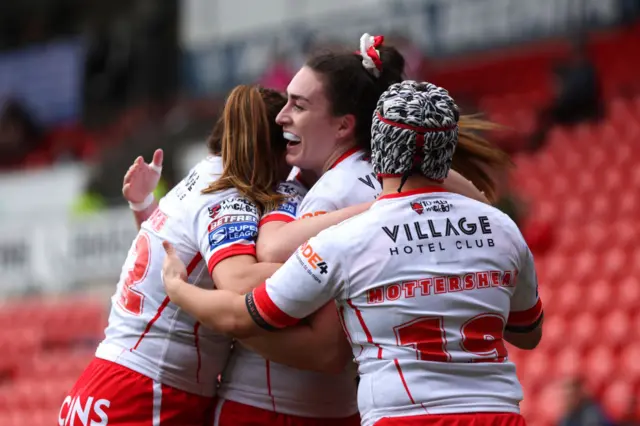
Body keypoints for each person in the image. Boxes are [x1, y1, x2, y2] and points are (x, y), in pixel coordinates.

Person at [161, 80, 544, 426]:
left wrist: (179, 289)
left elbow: (244, 315)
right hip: (499, 416)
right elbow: (528, 334)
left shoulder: (345, 238)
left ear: (378, 148)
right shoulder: (503, 228)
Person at [59, 85, 364, 426]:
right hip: (149, 389)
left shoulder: (201, 176)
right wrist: (334, 250)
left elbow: (175, 255)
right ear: (274, 151)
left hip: (115, 380)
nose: (292, 170)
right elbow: (236, 282)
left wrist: (144, 208)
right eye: (289, 151)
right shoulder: (229, 196)